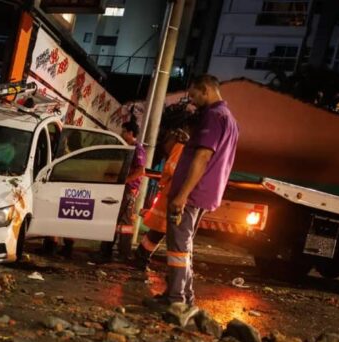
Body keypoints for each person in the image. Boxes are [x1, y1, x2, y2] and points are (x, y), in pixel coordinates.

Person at [150, 74, 239, 325]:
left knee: (178, 246)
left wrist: (181, 195)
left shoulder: (212, 116)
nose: (192, 100)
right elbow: (212, 153)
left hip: (192, 194)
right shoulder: (230, 119)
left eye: (194, 95)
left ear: (206, 90)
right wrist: (189, 142)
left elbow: (203, 158)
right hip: (205, 193)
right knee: (184, 245)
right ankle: (182, 296)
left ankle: (176, 299)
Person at [133, 126, 191, 270]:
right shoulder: (183, 149)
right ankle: (141, 258)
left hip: (170, 194)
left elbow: (170, 168)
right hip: (171, 195)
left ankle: (141, 257)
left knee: (158, 231)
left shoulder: (179, 148)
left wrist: (163, 183)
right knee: (159, 231)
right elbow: (172, 169)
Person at [96, 120, 145, 262]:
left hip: (128, 189)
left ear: (130, 133)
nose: (121, 134)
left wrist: (126, 180)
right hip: (121, 188)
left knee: (124, 222)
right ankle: (106, 251)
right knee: (114, 219)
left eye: (124, 131)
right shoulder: (126, 147)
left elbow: (140, 170)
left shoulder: (137, 149)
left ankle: (123, 254)